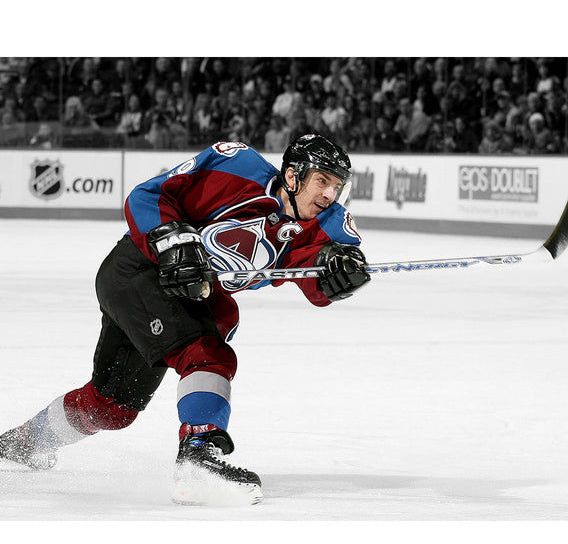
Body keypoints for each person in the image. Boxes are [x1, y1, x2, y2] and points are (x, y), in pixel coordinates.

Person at [0, 134, 370, 507]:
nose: (329, 194)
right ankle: (198, 455)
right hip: (139, 269)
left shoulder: (327, 225)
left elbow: (320, 281)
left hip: (188, 297)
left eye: (337, 186)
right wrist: (172, 241)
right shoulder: (237, 168)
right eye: (322, 181)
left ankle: (23, 442)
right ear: (292, 176)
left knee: (111, 408)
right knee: (207, 355)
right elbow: (146, 196)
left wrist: (341, 273)